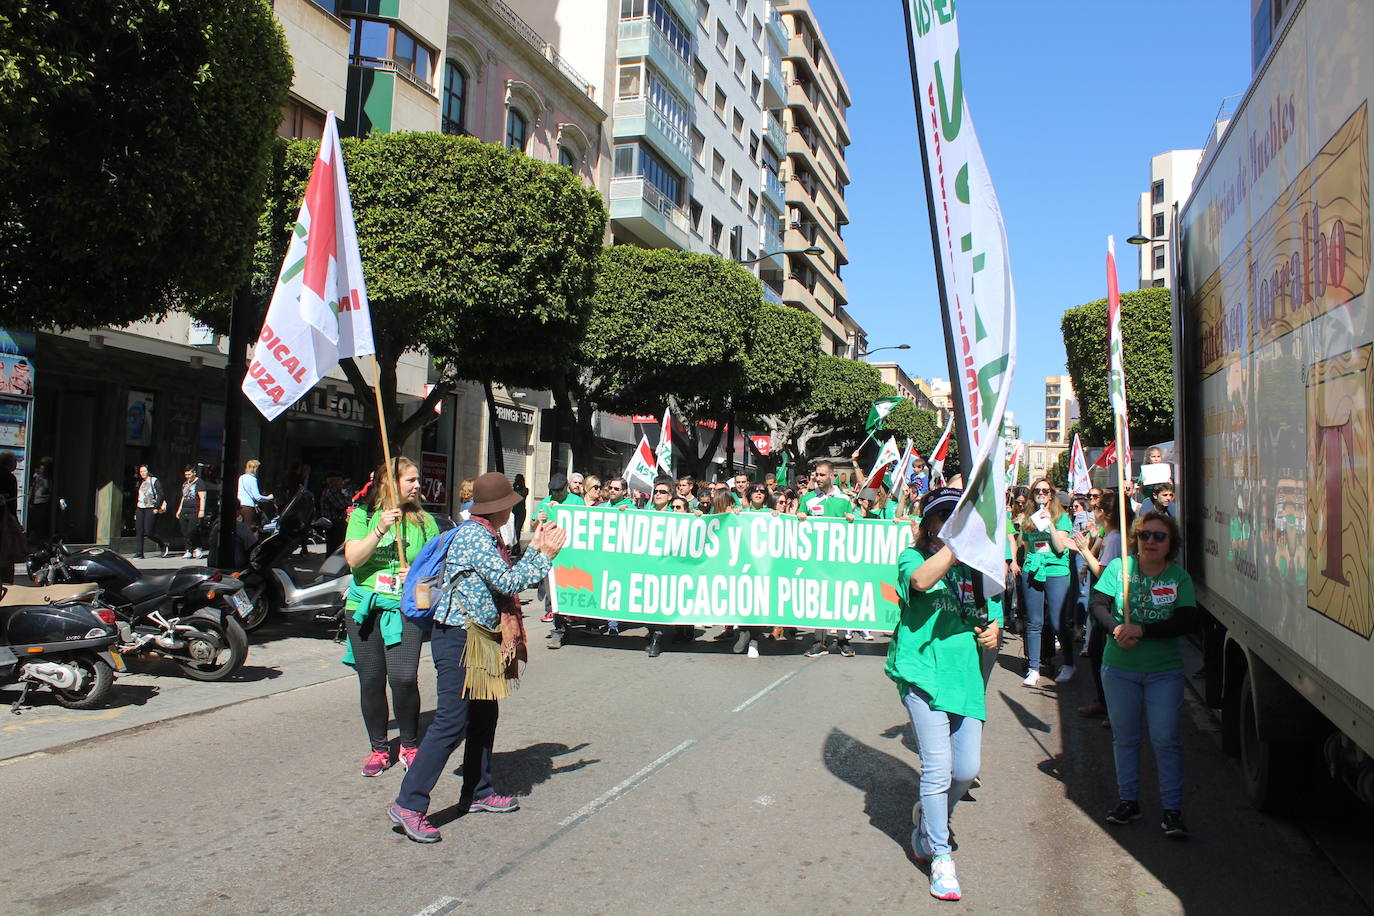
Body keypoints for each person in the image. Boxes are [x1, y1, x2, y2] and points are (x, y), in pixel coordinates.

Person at [387, 473, 567, 843]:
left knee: (485, 714)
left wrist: (534, 546)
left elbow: (503, 576)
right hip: (458, 638)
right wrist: (544, 554)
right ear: (499, 508)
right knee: (452, 722)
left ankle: (479, 791)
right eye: (509, 504)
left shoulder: (486, 533)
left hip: (478, 636)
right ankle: (409, 803)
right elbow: (509, 582)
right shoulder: (474, 536)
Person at [888, 488, 1001, 901]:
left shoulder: (977, 568)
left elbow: (992, 616)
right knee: (937, 768)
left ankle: (928, 820)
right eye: (943, 517)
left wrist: (993, 631)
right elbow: (918, 582)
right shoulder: (912, 557)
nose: (950, 523)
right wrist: (956, 548)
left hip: (965, 677)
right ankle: (940, 854)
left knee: (965, 771)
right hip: (922, 673)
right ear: (929, 523)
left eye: (958, 516)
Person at [1091, 511, 1198, 839]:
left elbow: (1186, 620)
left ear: (1171, 543)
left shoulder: (1179, 578)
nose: (1150, 541)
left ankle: (1173, 810)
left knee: (1165, 739)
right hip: (1119, 669)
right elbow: (1098, 606)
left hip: (1163, 672)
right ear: (1136, 538)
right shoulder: (1119, 569)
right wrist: (1117, 628)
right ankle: (1129, 801)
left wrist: (1143, 629)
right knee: (1125, 738)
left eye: (1159, 536)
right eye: (1144, 535)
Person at [343, 457, 441, 778]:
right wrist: (380, 528)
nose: (417, 485)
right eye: (410, 480)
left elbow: (438, 575)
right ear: (389, 484)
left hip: (404, 609)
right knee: (371, 680)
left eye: (417, 480)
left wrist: (416, 576)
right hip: (364, 609)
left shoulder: (425, 522)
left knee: (401, 677)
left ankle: (410, 744)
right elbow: (354, 560)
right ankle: (379, 749)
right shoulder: (362, 516)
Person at [1074, 489, 1131, 720]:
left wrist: (1085, 552)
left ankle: (1111, 707)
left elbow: (1105, 574)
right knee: (1098, 654)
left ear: (1105, 513)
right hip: (1103, 603)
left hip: (1109, 605)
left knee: (1101, 655)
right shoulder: (1110, 535)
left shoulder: (1116, 538)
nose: (1092, 510)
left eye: (1096, 507)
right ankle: (1104, 703)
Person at [1016, 476, 1077, 686]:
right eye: (1037, 491)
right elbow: (1024, 546)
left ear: (1051, 495)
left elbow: (1060, 547)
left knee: (1058, 620)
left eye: (1045, 491)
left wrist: (1049, 524)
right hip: (1033, 570)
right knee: (1033, 622)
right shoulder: (1027, 518)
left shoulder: (1062, 518)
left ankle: (1069, 663)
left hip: (1055, 569)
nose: (1041, 494)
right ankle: (1033, 668)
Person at [803, 461, 855, 658]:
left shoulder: (844, 499)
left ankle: (843, 640)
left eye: (822, 475)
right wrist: (798, 516)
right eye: (816, 474)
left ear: (832, 476)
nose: (818, 478)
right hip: (816, 559)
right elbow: (796, 522)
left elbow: (856, 522)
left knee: (841, 597)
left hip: (839, 559)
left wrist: (853, 518)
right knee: (818, 597)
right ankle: (819, 640)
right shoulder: (808, 499)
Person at [533, 473, 578, 645]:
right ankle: (559, 628)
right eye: (553, 491)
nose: (556, 494)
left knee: (567, 591)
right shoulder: (546, 501)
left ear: (566, 486)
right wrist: (538, 520)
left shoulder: (576, 501)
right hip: (550, 555)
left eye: (559, 490)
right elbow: (534, 525)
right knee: (553, 593)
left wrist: (561, 511)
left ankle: (570, 622)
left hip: (569, 555)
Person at [132, 464, 169, 559]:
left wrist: (156, 507)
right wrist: (136, 511)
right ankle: (139, 552)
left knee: (149, 532)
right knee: (139, 531)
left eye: (144, 471)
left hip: (151, 508)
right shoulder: (140, 482)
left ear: (148, 471)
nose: (142, 473)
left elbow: (161, 494)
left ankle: (162, 544)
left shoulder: (154, 480)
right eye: (141, 472)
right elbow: (139, 497)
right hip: (140, 508)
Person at [175, 465, 207, 558]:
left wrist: (202, 510)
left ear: (194, 473)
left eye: (189, 474)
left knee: (192, 530)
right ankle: (188, 549)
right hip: (185, 509)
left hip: (194, 509)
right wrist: (179, 509)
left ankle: (197, 547)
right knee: (184, 530)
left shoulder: (199, 483)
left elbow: (202, 497)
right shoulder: (185, 484)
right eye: (186, 475)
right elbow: (183, 497)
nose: (187, 476)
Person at [320, 472, 353, 555]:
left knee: (333, 547)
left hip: (334, 523)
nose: (342, 482)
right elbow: (342, 505)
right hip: (334, 523)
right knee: (335, 547)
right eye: (340, 480)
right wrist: (348, 498)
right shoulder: (331, 491)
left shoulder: (335, 491)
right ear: (335, 481)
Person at [237, 459, 273, 528]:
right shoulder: (253, 479)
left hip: (240, 506)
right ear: (254, 469)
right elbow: (257, 497)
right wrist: (268, 498)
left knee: (240, 528)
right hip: (249, 507)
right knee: (250, 529)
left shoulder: (241, 478)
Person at [27, 456, 53, 544]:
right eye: (41, 465)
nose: (42, 468)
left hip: (42, 501)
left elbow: (47, 488)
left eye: (44, 466)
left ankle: (39, 539)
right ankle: (33, 537)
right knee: (33, 521)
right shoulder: (36, 476)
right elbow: (32, 487)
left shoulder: (48, 478)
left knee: (39, 521)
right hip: (34, 501)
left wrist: (43, 477)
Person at [511, 474, 529, 538]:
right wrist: (514, 488)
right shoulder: (514, 490)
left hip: (521, 512)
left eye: (518, 480)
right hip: (514, 511)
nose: (516, 481)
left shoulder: (525, 489)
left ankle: (517, 545)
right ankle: (514, 545)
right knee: (512, 529)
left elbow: (521, 496)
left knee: (517, 529)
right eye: (516, 480)